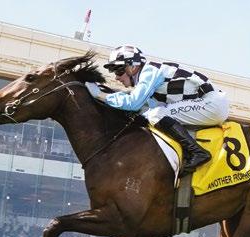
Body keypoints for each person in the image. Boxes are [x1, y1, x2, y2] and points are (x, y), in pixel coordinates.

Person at [88, 45, 229, 175]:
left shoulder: (149, 71)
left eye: (119, 70)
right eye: (113, 71)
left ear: (133, 67)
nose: (117, 77)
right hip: (209, 104)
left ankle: (197, 152)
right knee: (152, 114)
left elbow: (133, 103)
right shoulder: (149, 80)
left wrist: (101, 95)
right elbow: (141, 108)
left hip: (212, 103)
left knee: (156, 114)